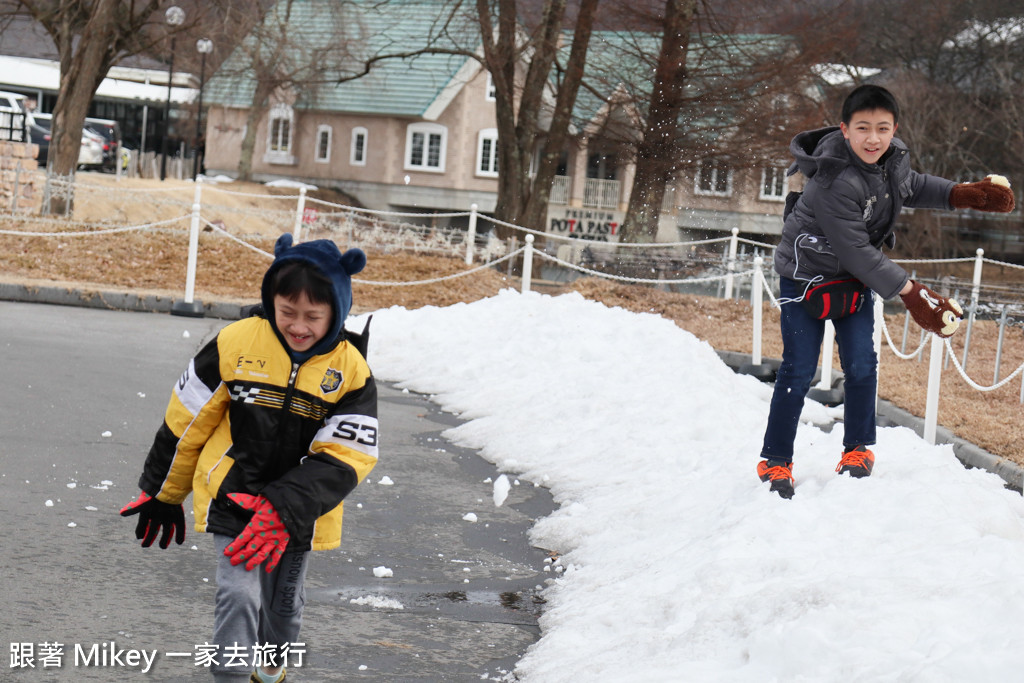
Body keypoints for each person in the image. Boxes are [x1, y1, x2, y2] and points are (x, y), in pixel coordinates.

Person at [120, 233, 378, 682]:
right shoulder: (235, 343)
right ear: (270, 300)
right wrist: (164, 492)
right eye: (287, 312)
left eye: (313, 317)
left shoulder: (351, 372)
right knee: (238, 596)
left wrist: (284, 507)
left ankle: (272, 665)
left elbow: (346, 456)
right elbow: (187, 421)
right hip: (235, 497)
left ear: (337, 311)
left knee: (282, 611)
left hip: (298, 513)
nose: (299, 326)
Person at [757, 84, 1015, 499]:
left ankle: (857, 450)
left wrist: (961, 194)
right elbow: (855, 249)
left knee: (862, 364)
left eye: (882, 128)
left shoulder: (891, 161)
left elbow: (913, 185)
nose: (873, 138)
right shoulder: (833, 180)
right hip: (805, 278)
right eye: (862, 128)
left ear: (894, 129)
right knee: (799, 368)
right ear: (845, 130)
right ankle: (775, 459)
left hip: (854, 281)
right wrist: (913, 294)